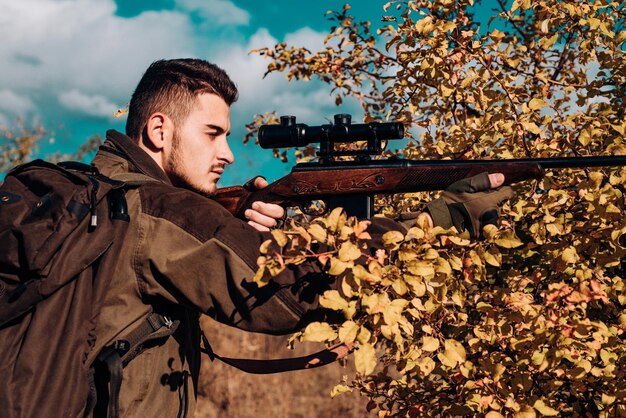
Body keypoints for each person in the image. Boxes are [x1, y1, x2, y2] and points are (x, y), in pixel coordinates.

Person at [86, 58, 511, 417]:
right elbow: (292, 295)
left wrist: (247, 230)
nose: (228, 154)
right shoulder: (163, 212)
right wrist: (443, 217)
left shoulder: (91, 193)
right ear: (159, 131)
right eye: (213, 133)